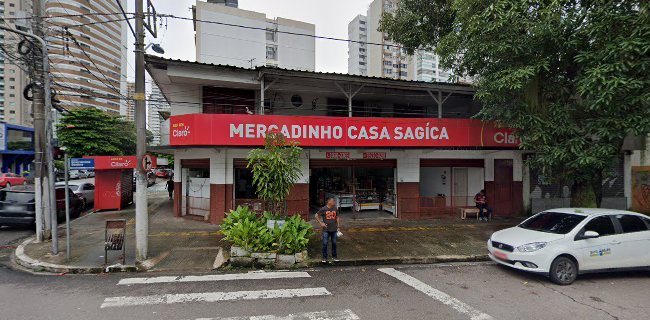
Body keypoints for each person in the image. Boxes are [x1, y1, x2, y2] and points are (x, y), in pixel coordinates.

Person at [315, 197, 340, 263]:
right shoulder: (324, 209)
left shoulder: (335, 208)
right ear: (329, 201)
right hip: (326, 229)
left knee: (334, 243)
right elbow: (316, 215)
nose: (334, 202)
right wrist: (321, 223)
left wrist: (338, 226)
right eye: (333, 201)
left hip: (334, 229)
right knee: (325, 243)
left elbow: (337, 217)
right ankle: (324, 257)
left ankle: (334, 256)